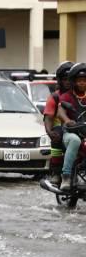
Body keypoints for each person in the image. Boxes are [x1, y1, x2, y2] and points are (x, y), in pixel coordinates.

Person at [42, 61, 73, 187]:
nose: (67, 82)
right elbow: (48, 117)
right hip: (60, 128)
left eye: (70, 79)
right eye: (64, 79)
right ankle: (56, 172)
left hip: (78, 127)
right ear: (59, 80)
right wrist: (49, 131)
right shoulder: (54, 97)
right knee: (57, 136)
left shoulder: (80, 94)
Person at [57, 63, 86, 191]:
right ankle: (66, 175)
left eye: (84, 80)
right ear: (74, 81)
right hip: (70, 132)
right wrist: (68, 120)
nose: (82, 83)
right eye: (79, 80)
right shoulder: (66, 96)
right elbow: (60, 111)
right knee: (75, 140)